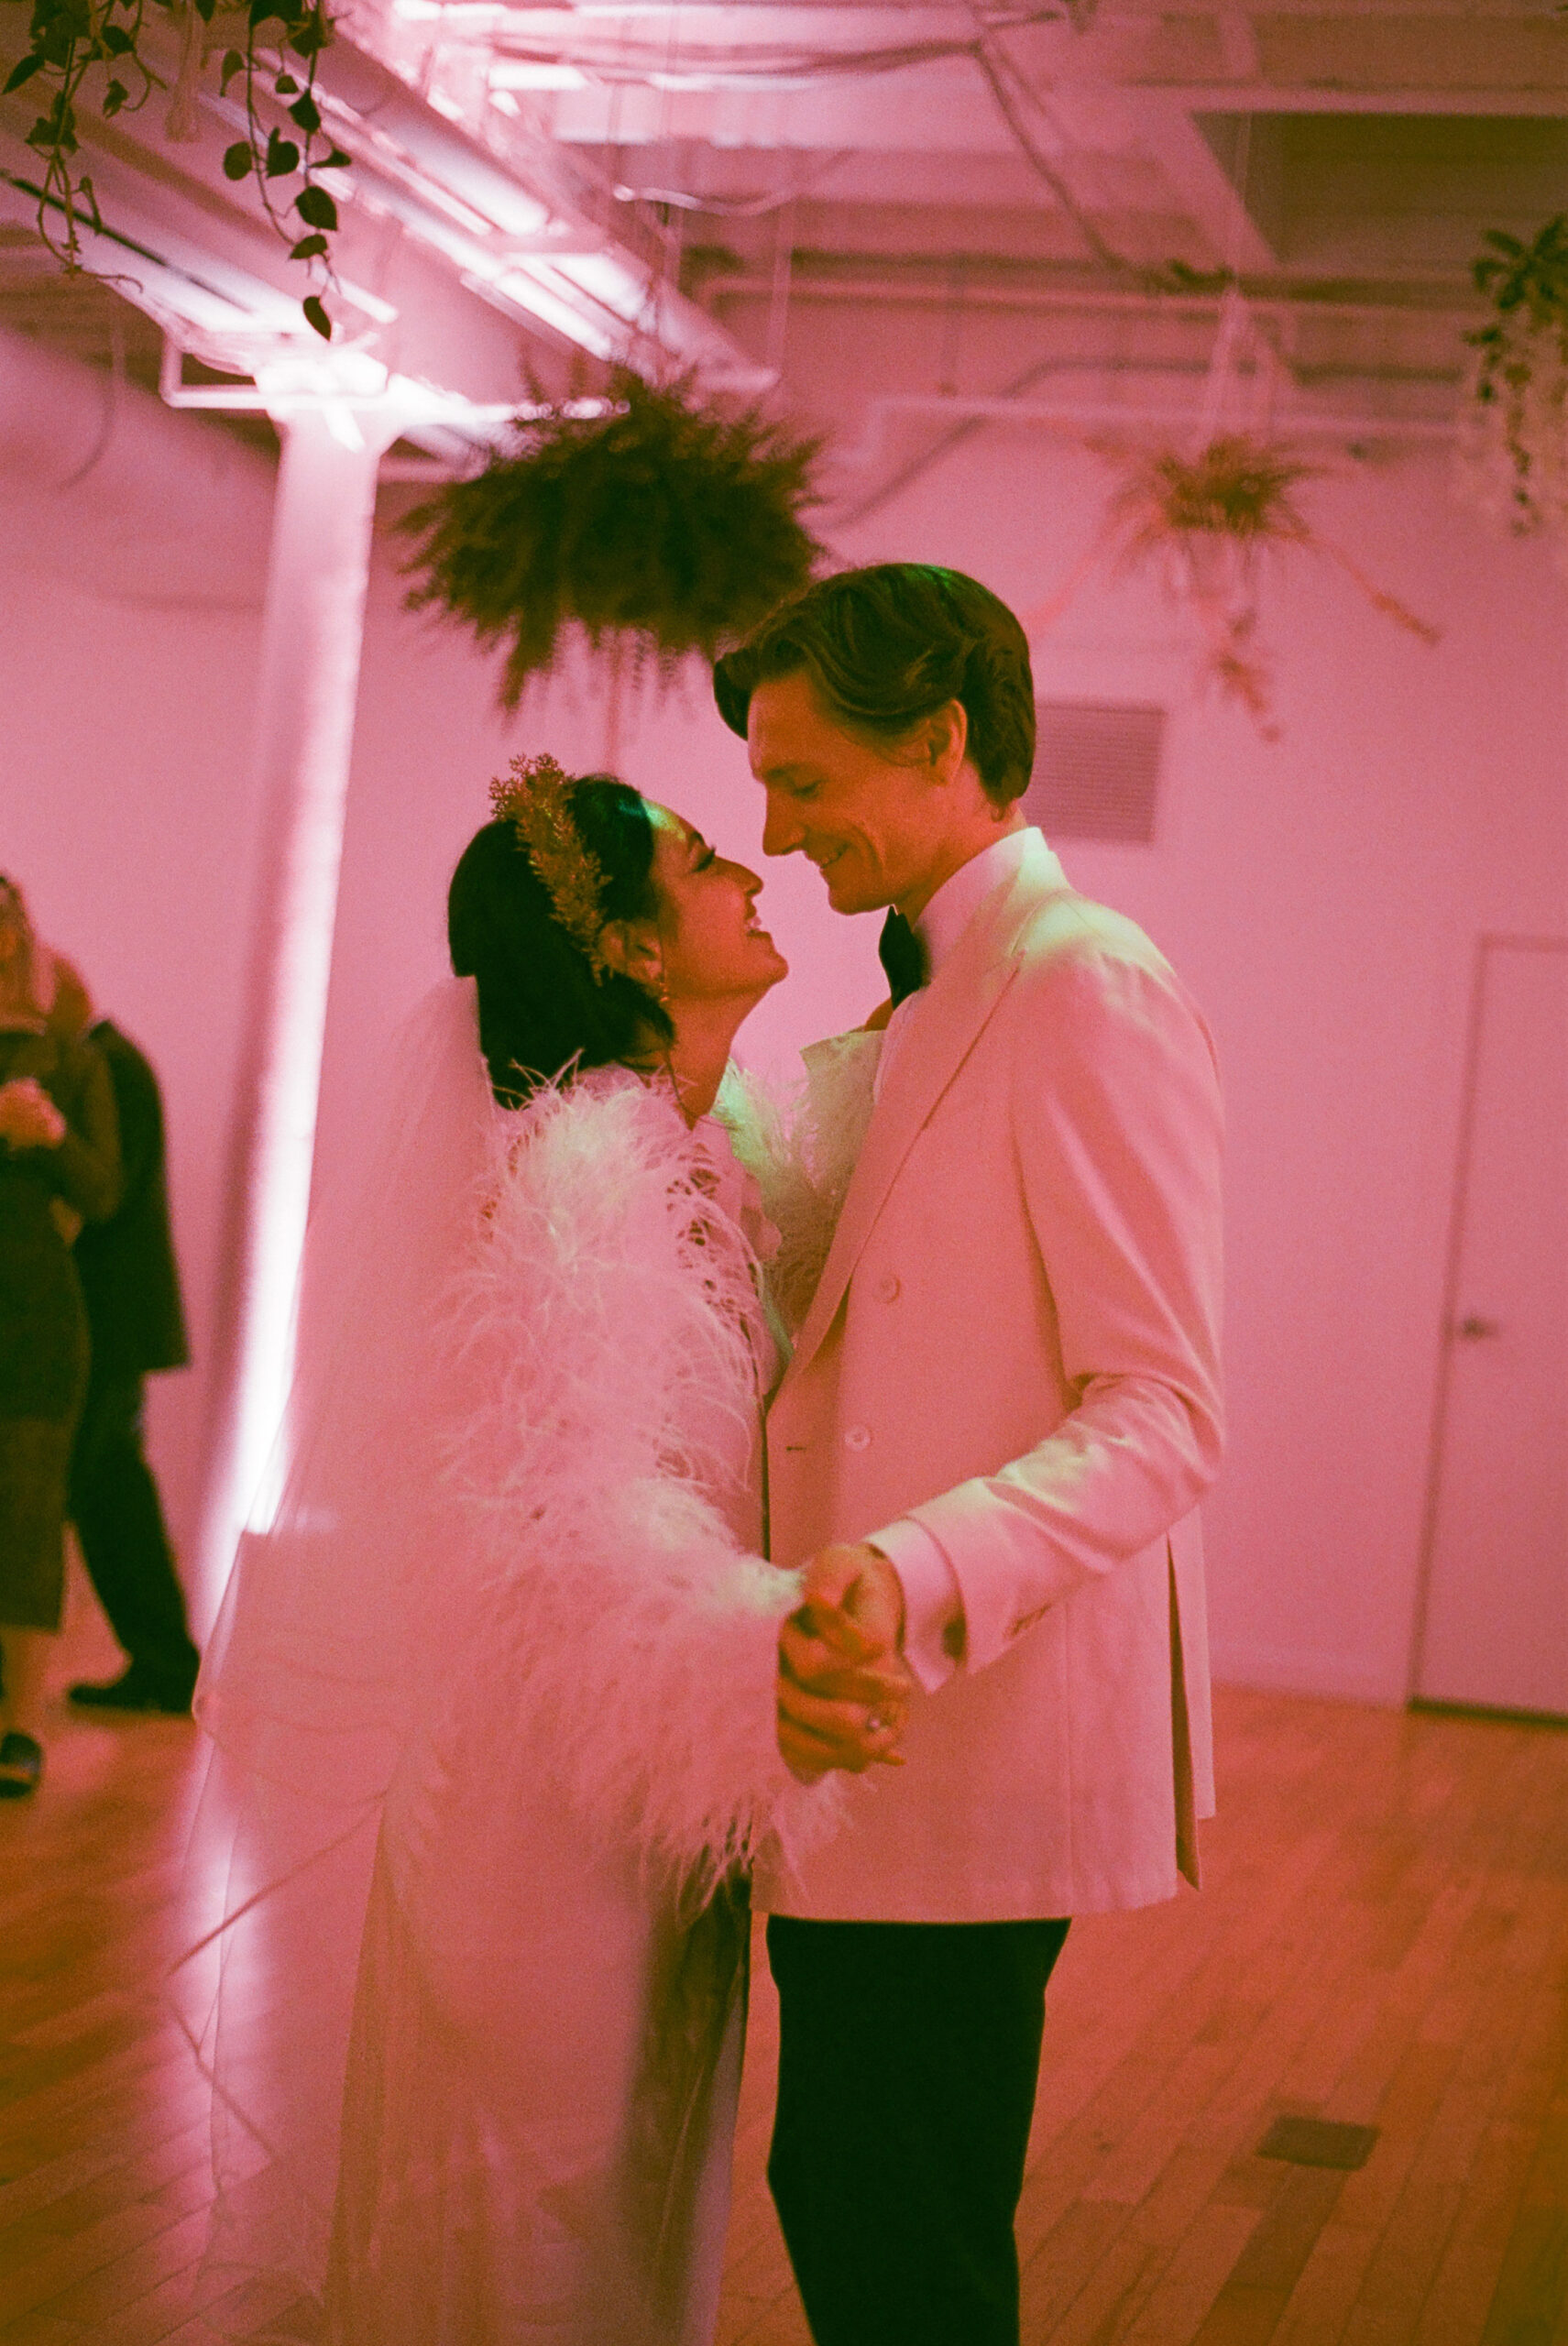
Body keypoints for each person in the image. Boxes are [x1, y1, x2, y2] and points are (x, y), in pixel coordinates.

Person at [179, 759, 905, 2344]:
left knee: (635, 2199)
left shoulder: (696, 1155)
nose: (754, 874)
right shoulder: (583, 1160)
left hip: (652, 1774)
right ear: (633, 946)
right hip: (546, 1818)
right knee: (538, 2228)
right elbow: (578, 1503)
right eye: (712, 860)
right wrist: (757, 1651)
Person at [712, 563, 1226, 2346]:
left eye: (801, 779)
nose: (773, 834)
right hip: (864, 1734)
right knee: (850, 2199)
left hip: (961, 1722)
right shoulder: (939, 985)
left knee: (894, 2232)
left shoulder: (1085, 982)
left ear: (942, 736)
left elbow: (1164, 1410)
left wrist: (911, 1569)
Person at [37, 961, 202, 1716]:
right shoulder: (121, 1058)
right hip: (117, 1319)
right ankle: (163, 1659)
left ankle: (164, 1658)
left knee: (104, 1490)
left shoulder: (106, 1066)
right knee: (111, 1491)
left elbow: (105, 1193)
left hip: (105, 1317)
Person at [0, 879, 122, 1797]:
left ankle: (19, 1726)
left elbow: (104, 1192)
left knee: (30, 1518)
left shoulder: (74, 1060)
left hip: (36, 1311)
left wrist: (44, 1134)